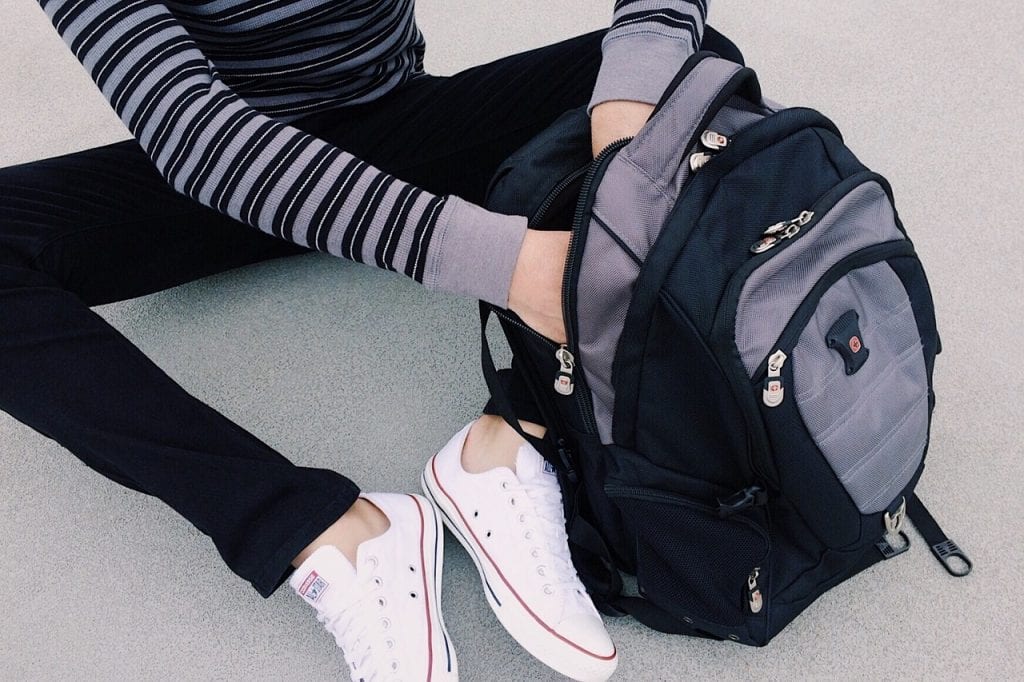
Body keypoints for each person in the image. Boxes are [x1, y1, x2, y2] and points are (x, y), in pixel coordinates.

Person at [0, 1, 733, 679]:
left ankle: (515, 434)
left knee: (694, 73)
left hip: (399, 127)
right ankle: (325, 531)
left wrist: (627, 171)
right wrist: (507, 266)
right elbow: (194, 132)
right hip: (212, 165)